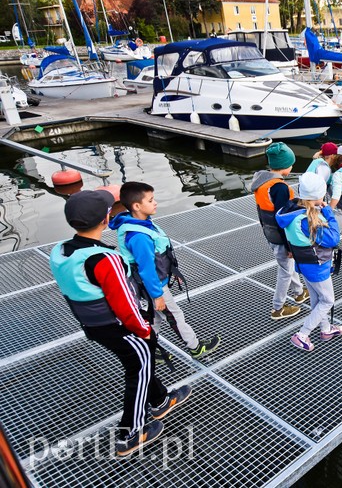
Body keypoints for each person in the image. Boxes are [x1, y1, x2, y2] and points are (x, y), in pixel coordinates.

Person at [49, 190, 191, 457]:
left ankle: (160, 399)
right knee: (138, 368)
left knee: (139, 363)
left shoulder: (62, 251)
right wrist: (145, 330)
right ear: (106, 219)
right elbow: (126, 305)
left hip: (94, 326)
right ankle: (130, 433)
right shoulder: (106, 260)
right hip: (122, 328)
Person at [111, 182, 221, 359]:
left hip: (152, 283)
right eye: (151, 200)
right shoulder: (139, 237)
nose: (155, 203)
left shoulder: (140, 224)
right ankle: (196, 347)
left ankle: (148, 350)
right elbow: (147, 269)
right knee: (174, 315)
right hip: (154, 287)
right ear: (137, 206)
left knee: (154, 318)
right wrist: (157, 295)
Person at [276, 173, 342, 352]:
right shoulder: (309, 220)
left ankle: (326, 329)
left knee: (317, 299)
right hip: (317, 266)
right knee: (328, 300)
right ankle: (302, 334)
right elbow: (333, 238)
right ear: (318, 196)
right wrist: (328, 212)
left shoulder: (292, 212)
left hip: (304, 264)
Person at [251, 142, 311, 320]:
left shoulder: (263, 182)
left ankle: (299, 292)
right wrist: (290, 246)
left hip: (269, 233)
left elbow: (270, 211)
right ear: (287, 166)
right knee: (285, 271)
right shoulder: (280, 188)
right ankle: (278, 308)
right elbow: (283, 218)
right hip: (281, 237)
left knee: (287, 266)